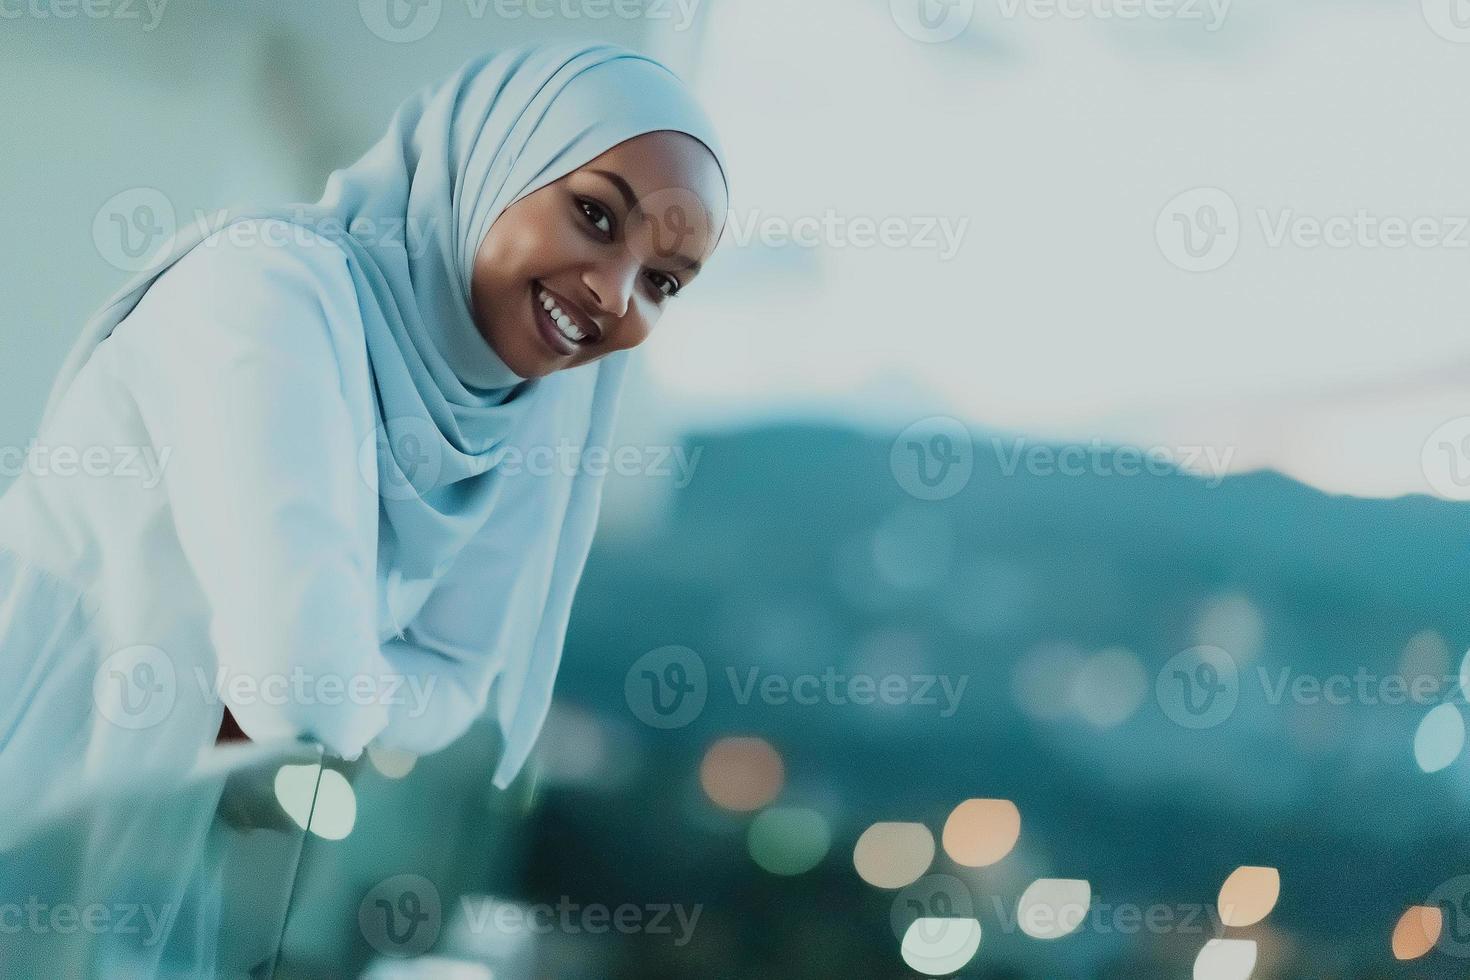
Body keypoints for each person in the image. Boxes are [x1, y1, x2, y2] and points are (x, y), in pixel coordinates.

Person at [0, 42, 729, 820]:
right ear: (497, 162)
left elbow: (456, 683)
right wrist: (345, 683)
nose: (616, 296)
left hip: (112, 835)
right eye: (594, 214)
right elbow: (301, 687)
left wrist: (337, 683)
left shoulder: (517, 416)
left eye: (662, 283)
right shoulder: (269, 287)